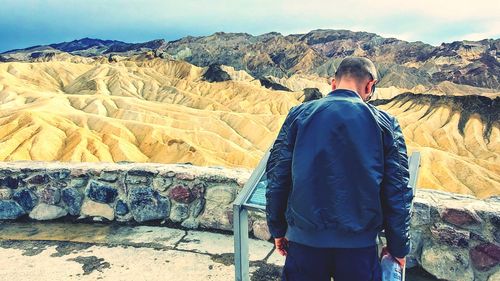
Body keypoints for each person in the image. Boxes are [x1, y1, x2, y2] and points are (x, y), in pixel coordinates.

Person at [265, 57, 413, 281]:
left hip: (305, 243)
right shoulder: (385, 123)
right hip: (359, 249)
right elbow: (398, 191)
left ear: (333, 83)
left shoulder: (298, 116)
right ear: (369, 86)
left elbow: (277, 177)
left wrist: (277, 229)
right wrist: (398, 247)